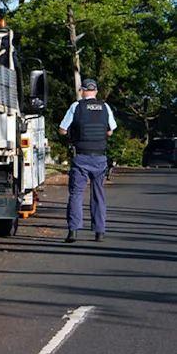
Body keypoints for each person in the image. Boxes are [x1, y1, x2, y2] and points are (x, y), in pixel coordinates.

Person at [59, 78, 117, 243]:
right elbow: (111, 131)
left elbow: (63, 130)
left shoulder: (76, 107)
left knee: (76, 194)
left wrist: (73, 132)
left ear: (82, 91)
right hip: (100, 157)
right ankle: (99, 232)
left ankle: (73, 231)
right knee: (98, 194)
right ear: (96, 91)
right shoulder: (105, 107)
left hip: (81, 157)